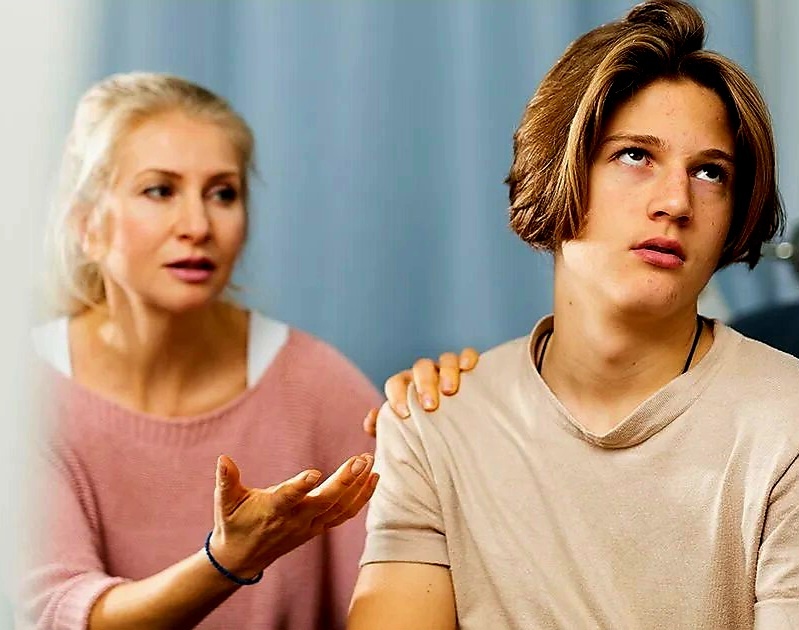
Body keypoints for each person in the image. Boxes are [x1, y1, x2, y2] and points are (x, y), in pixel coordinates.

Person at [348, 1, 799, 628]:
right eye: (635, 155)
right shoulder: (435, 423)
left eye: (709, 172)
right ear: (556, 172)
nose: (676, 202)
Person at [21, 72, 475, 630]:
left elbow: (411, 586)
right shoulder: (23, 397)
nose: (197, 225)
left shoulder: (315, 384)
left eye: (223, 193)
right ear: (86, 225)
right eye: (159, 190)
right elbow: (60, 615)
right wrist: (229, 561)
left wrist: (452, 424)